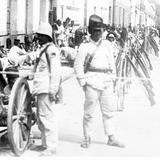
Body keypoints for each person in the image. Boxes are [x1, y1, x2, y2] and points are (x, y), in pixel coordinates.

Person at [74, 14, 125, 148]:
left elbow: (112, 63)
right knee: (89, 113)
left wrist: (113, 78)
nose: (98, 34)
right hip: (91, 81)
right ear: (90, 31)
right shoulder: (84, 47)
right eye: (95, 31)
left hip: (107, 81)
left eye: (100, 31)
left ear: (103, 31)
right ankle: (87, 138)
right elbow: (78, 66)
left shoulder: (107, 44)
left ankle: (111, 137)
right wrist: (82, 82)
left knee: (109, 111)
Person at [30, 22, 62, 156]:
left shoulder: (51, 50)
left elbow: (56, 72)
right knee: (41, 118)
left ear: (47, 36)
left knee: (48, 118)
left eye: (41, 36)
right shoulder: (43, 49)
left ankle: (51, 147)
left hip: (46, 88)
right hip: (40, 87)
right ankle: (44, 144)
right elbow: (35, 62)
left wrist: (53, 90)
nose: (38, 38)